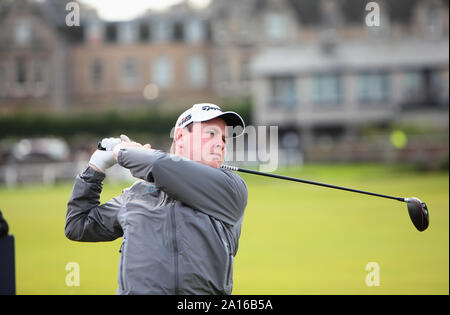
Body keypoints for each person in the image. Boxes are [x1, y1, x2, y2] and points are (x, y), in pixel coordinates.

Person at [65, 103, 248, 295]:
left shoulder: (231, 188)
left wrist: (122, 151)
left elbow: (159, 165)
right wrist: (95, 167)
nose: (220, 143)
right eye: (211, 133)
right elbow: (78, 224)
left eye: (224, 139)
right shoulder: (136, 194)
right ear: (180, 137)